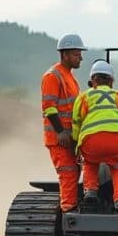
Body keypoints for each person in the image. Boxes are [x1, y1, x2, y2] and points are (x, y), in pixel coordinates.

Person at [71, 60, 118, 213]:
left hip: (91, 141)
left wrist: (76, 143)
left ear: (92, 81)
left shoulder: (83, 97)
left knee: (89, 162)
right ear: (111, 81)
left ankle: (90, 191)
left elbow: (76, 123)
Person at [41, 34, 86, 212]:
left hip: (70, 138)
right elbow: (49, 108)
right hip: (59, 139)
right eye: (76, 54)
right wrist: (61, 132)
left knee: (74, 175)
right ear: (65, 55)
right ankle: (69, 212)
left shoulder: (69, 77)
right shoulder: (53, 76)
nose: (80, 57)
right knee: (68, 174)